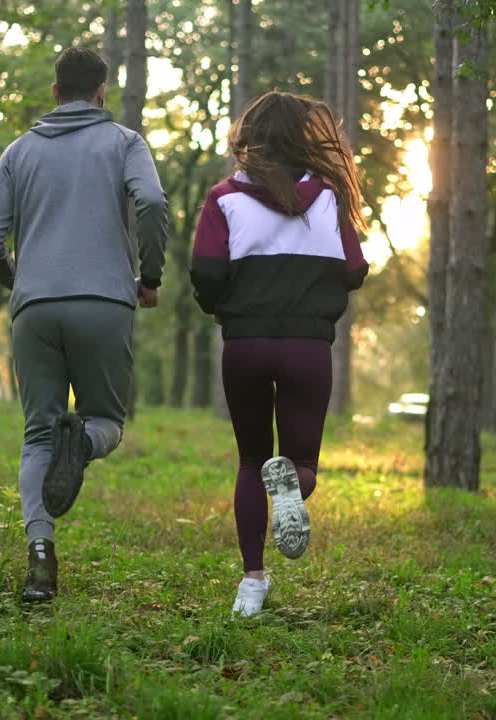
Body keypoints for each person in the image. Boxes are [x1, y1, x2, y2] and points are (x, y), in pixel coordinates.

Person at [0, 47, 168, 603]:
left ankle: (39, 558)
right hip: (105, 302)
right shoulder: (126, 143)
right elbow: (151, 202)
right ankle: (79, 440)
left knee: (37, 435)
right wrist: (148, 276)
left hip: (35, 307)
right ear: (101, 92)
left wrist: (21, 281)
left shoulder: (18, 152)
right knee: (105, 419)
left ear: (55, 93)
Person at [190, 91, 368, 617]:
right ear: (304, 140)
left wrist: (224, 309)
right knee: (300, 463)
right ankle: (292, 490)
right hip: (306, 347)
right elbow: (354, 270)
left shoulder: (223, 197)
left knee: (250, 460)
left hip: (245, 345)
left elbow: (205, 272)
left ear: (253, 138)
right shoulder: (332, 197)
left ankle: (251, 581)